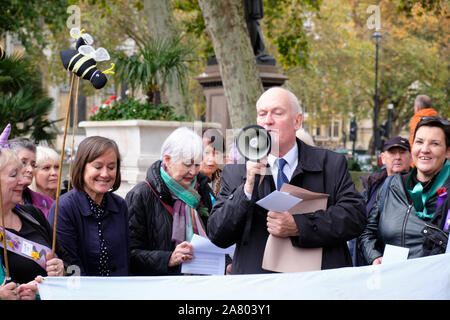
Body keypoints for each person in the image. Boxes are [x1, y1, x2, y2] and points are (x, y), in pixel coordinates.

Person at [207, 87, 367, 274]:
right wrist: (246, 190)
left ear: (297, 121)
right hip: (258, 285)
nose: (268, 121)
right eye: (262, 114)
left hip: (317, 283)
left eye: (277, 113)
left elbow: (355, 217)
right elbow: (217, 234)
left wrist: (299, 225)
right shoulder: (237, 172)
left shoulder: (330, 164)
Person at [359, 116, 450, 264]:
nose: (424, 150)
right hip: (389, 280)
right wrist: (374, 257)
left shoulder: (447, 193)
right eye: (419, 142)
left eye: (434, 144)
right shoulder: (391, 185)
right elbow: (367, 231)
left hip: (431, 282)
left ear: (448, 151)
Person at [126, 127, 213, 275]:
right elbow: (129, 255)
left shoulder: (203, 190)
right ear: (168, 160)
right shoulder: (140, 195)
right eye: (187, 164)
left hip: (201, 283)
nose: (193, 172)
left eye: (197, 164)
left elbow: (215, 237)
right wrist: (168, 259)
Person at [48, 136, 130, 276]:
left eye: (111, 167)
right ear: (82, 167)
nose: (105, 174)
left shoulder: (119, 205)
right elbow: (69, 264)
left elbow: (125, 259)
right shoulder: (64, 207)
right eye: (97, 167)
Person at [0, 127, 68, 286]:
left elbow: (73, 267)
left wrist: (62, 269)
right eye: (13, 175)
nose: (22, 180)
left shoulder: (34, 215)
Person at [350, 136, 412, 265]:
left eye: (402, 152)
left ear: (411, 157)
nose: (397, 157)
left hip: (401, 263)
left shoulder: (417, 187)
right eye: (392, 153)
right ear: (383, 158)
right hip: (369, 261)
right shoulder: (371, 185)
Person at [9, 138, 54, 217]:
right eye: (23, 162)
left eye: (33, 165)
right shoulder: (4, 204)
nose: (30, 170)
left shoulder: (48, 203)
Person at [200, 128, 225, 201]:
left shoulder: (226, 181)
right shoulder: (190, 182)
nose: (211, 159)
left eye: (216, 153)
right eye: (206, 153)